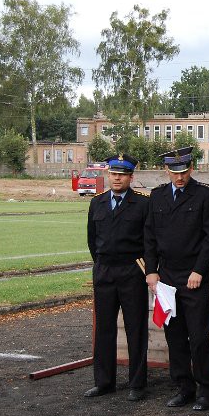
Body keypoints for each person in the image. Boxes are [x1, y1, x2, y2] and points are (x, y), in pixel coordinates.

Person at [144, 146, 209, 411]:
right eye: (175, 172)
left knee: (198, 337)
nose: (180, 177)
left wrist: (199, 270)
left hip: (194, 276)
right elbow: (149, 236)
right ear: (166, 170)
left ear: (192, 169)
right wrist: (151, 271)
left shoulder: (204, 194)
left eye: (184, 171)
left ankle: (206, 391)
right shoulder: (157, 196)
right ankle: (184, 388)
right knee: (174, 337)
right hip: (166, 277)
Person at [85, 154, 151, 402]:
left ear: (131, 177)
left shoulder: (142, 203)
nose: (117, 178)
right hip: (105, 271)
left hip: (132, 271)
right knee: (104, 328)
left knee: (136, 329)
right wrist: (101, 264)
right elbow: (92, 239)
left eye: (122, 175)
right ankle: (104, 382)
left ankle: (137, 383)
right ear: (108, 175)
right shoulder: (97, 202)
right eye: (113, 174)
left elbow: (149, 241)